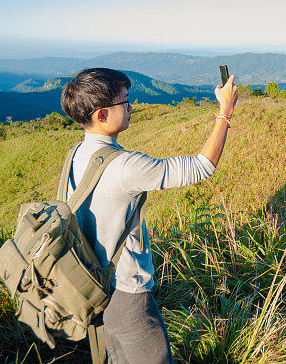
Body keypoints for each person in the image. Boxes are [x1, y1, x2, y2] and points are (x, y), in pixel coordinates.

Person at [59, 67, 238, 364]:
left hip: (90, 284)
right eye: (124, 101)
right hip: (126, 291)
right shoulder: (126, 167)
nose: (130, 107)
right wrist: (225, 112)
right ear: (102, 115)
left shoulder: (76, 153)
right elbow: (201, 166)